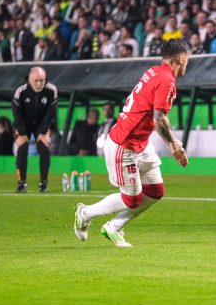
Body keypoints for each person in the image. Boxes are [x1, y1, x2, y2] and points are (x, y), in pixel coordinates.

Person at [74, 39, 190, 247]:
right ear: (181, 58)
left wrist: (172, 140)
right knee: (132, 200)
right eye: (187, 60)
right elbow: (159, 118)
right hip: (124, 144)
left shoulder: (155, 71)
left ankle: (113, 227)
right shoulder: (167, 80)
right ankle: (85, 213)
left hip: (141, 143)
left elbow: (155, 115)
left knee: (155, 191)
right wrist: (173, 145)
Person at [12, 67, 58, 192]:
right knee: (22, 148)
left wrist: (43, 131)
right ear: (30, 80)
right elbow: (17, 114)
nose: (38, 84)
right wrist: (21, 132)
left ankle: (43, 184)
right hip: (23, 123)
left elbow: (50, 113)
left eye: (41, 80)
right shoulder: (20, 91)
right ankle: (21, 183)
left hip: (41, 123)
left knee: (44, 149)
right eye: (36, 81)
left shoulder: (51, 90)